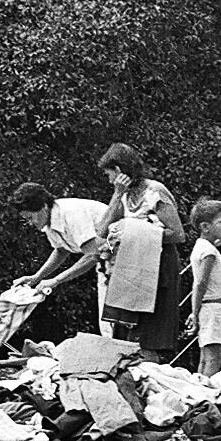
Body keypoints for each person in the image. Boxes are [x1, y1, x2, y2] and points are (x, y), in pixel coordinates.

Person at [95, 143, 184, 358]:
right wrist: (117, 194)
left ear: (119, 170)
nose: (109, 180)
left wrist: (136, 233)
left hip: (157, 267)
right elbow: (101, 230)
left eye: (110, 174)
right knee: (127, 339)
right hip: (131, 269)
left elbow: (178, 234)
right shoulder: (124, 196)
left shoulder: (155, 191)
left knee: (148, 339)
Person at [8, 182, 111, 335]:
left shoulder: (71, 213)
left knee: (118, 317)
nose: (30, 223)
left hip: (125, 254)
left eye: (30, 217)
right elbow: (61, 250)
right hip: (107, 262)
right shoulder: (50, 221)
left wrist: (56, 280)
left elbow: (93, 255)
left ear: (43, 207)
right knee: (107, 322)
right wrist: (36, 277)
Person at [186, 198, 221, 377]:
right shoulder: (209, 252)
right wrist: (194, 312)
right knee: (214, 356)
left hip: (209, 308)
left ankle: (200, 384)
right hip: (212, 308)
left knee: (205, 356)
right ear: (205, 227)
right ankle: (207, 386)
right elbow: (200, 283)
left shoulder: (203, 247)